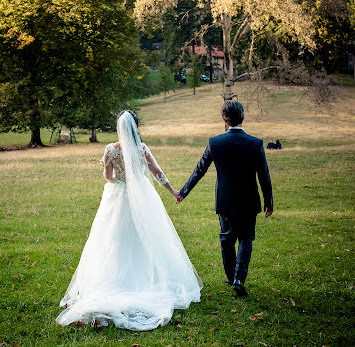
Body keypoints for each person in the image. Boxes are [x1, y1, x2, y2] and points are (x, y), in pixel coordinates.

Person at [56, 110, 202, 331]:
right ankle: (148, 279)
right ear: (135, 127)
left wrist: (116, 178)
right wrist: (173, 191)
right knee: (147, 235)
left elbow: (107, 176)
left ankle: (112, 281)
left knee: (113, 239)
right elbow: (157, 173)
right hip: (142, 195)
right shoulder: (141, 149)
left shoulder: (110, 150)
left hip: (117, 196)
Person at [177, 100, 273, 297]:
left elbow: (199, 170)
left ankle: (231, 277)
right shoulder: (255, 144)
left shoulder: (215, 143)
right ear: (243, 117)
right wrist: (269, 202)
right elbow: (264, 175)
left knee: (227, 239)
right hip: (249, 200)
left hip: (225, 201)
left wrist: (183, 191)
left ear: (224, 119)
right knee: (246, 238)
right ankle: (239, 278)